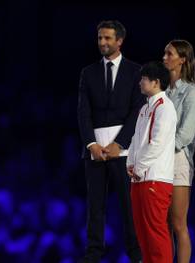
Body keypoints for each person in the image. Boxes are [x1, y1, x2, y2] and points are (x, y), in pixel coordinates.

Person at [77, 20, 143, 263]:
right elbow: (83, 112)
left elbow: (137, 109)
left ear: (119, 41)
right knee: (95, 206)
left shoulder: (136, 71)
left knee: (128, 205)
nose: (102, 42)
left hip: (123, 151)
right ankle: (93, 255)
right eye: (99, 38)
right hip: (95, 151)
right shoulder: (88, 72)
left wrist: (121, 143)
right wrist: (91, 144)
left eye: (107, 38)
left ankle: (136, 254)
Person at [127, 61, 177, 263]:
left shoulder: (165, 108)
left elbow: (157, 143)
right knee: (142, 235)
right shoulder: (144, 109)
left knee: (156, 234)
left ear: (156, 83)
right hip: (139, 179)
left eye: (144, 79)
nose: (140, 82)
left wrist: (138, 166)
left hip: (155, 178)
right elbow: (135, 140)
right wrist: (129, 163)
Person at [163, 39, 195, 263]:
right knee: (163, 225)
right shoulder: (161, 91)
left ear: (182, 60)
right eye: (164, 54)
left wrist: (160, 150)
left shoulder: (191, 93)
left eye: (169, 54)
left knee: (178, 223)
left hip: (178, 160)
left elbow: (186, 135)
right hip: (159, 162)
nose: (164, 58)